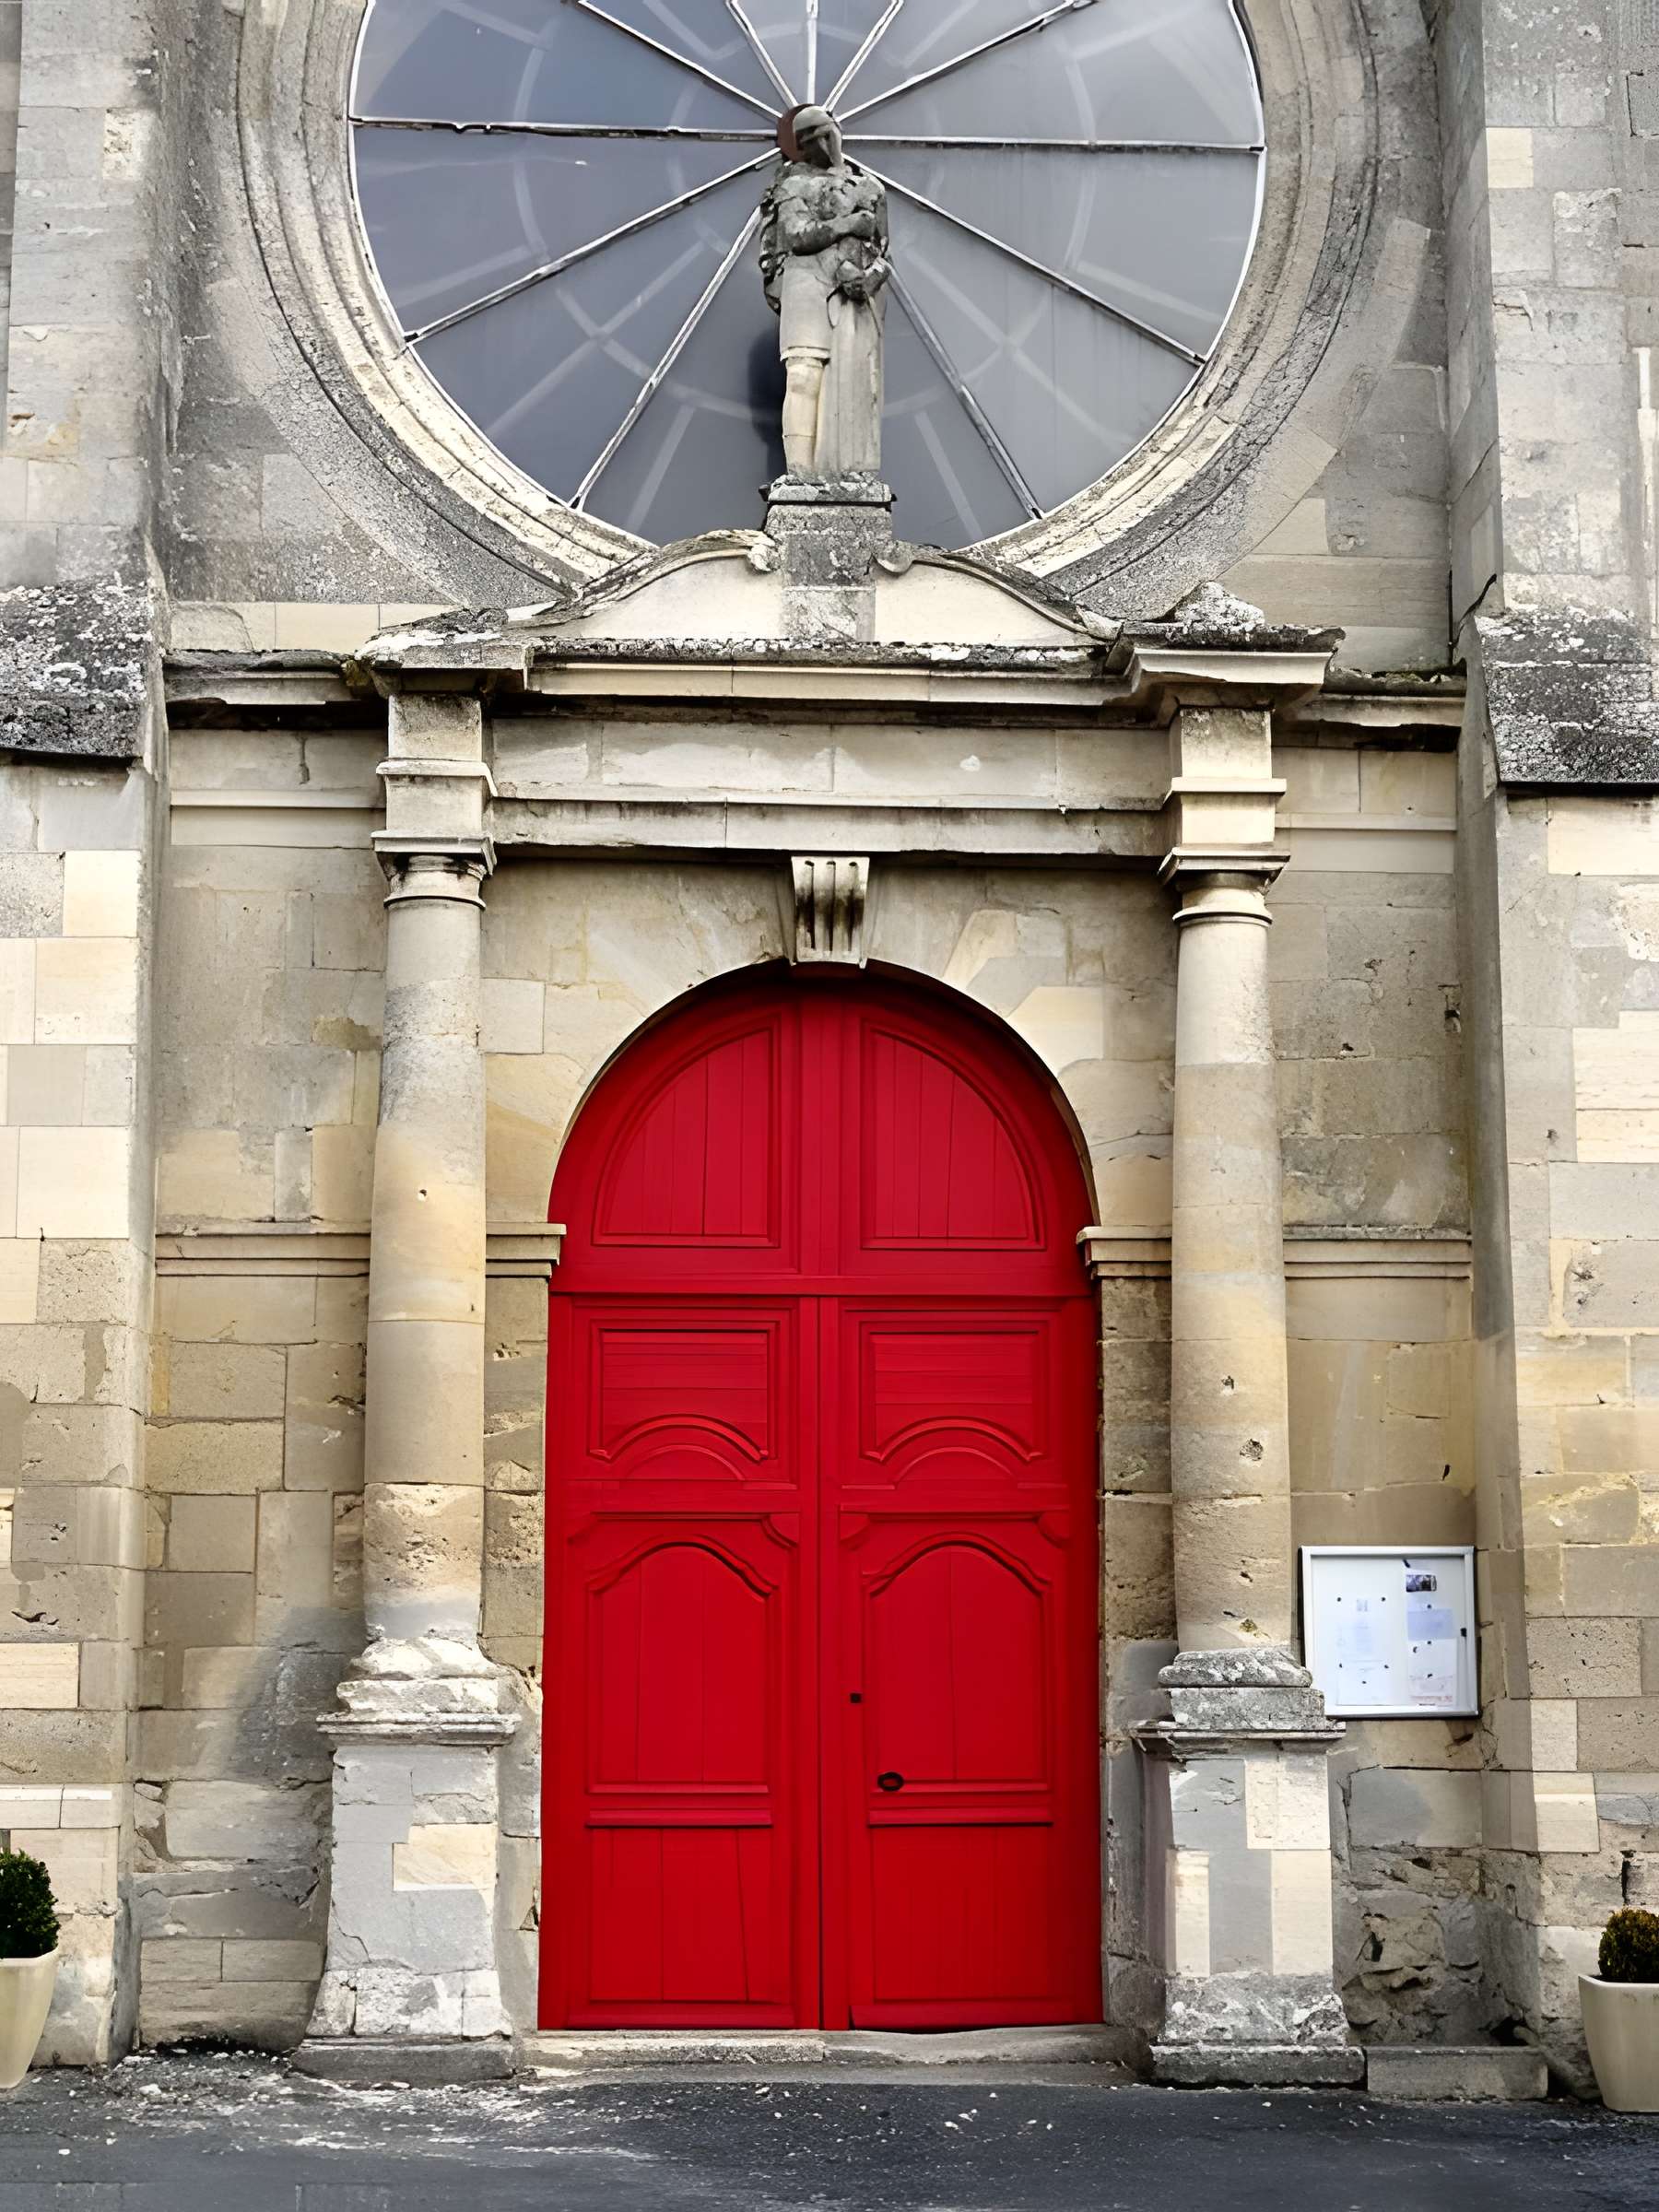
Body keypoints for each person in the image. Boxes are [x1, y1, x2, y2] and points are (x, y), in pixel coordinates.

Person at [759, 105, 889, 477]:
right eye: (809, 138)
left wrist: (871, 277)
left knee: (856, 382)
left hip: (855, 295)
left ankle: (849, 470)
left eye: (824, 131)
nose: (822, 141)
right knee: (803, 374)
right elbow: (797, 235)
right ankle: (800, 475)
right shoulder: (792, 186)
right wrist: (849, 223)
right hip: (806, 285)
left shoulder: (871, 188)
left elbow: (883, 249)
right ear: (800, 147)